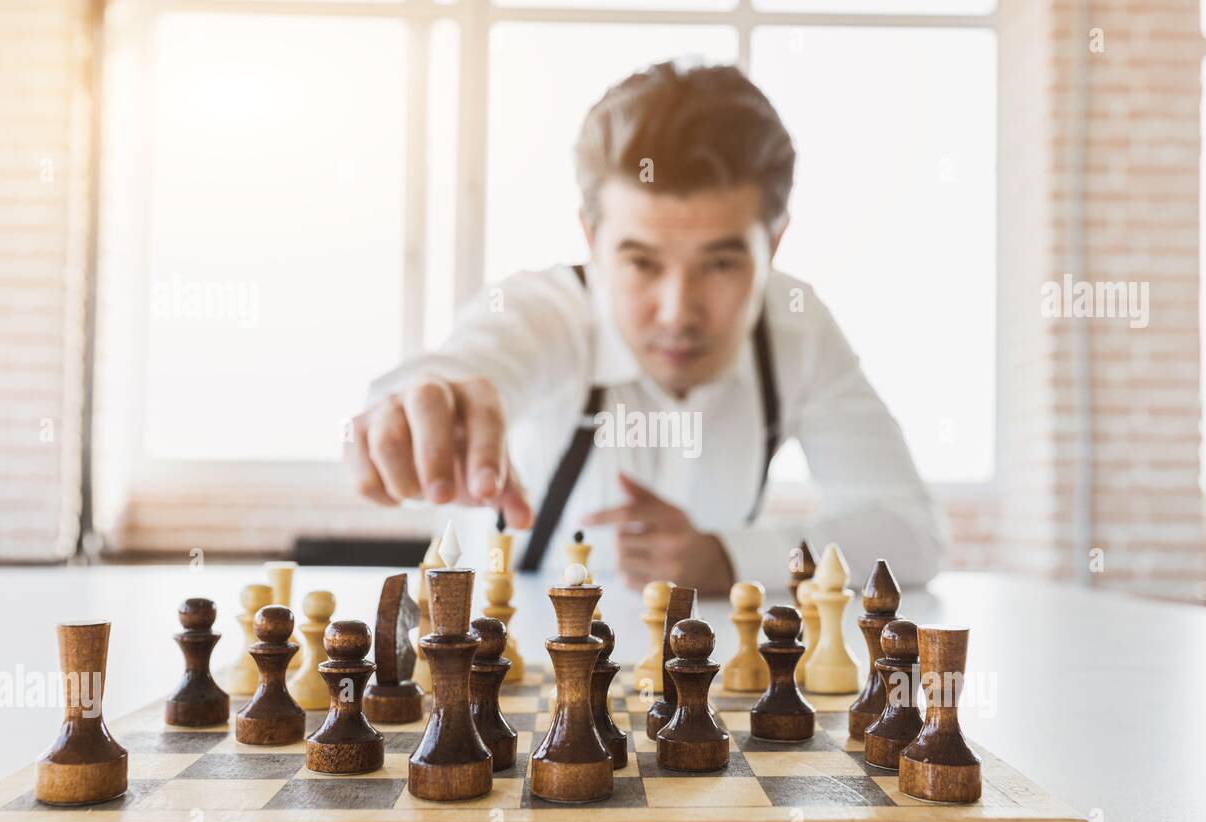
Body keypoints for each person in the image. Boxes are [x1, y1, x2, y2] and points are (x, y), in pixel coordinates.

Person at [347, 61, 947, 594]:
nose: (677, 311)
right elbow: (462, 366)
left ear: (776, 242)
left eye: (720, 263)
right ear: (591, 238)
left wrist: (730, 557)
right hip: (510, 689)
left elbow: (911, 534)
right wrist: (418, 401)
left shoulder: (797, 329)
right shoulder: (541, 309)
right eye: (641, 262)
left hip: (704, 693)